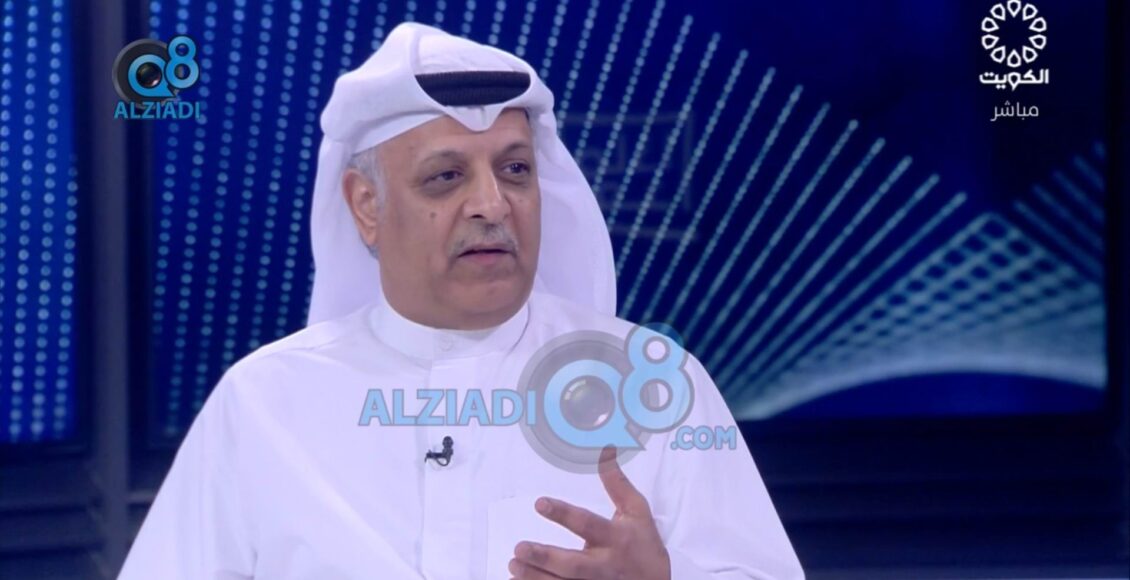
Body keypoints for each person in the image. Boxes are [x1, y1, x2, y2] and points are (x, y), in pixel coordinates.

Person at [118, 22, 804, 580]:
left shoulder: (653, 385)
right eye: (445, 177)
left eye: (515, 169)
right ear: (367, 207)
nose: (492, 205)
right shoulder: (265, 403)